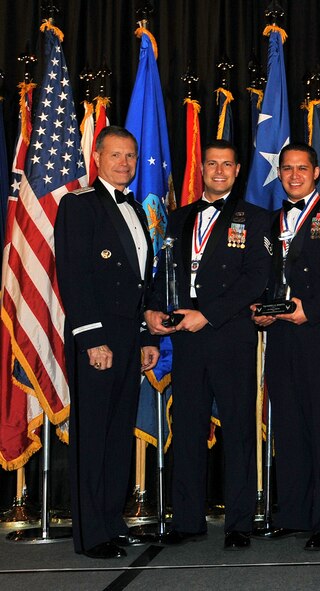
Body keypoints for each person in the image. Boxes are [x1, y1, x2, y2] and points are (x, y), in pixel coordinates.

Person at [145, 139, 270, 550]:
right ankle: (187, 520)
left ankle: (239, 523)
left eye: (227, 164)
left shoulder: (256, 219)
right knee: (187, 428)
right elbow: (162, 272)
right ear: (201, 168)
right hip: (186, 338)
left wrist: (209, 314)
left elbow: (256, 278)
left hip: (230, 336)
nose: (219, 170)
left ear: (237, 171)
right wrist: (155, 313)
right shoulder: (178, 217)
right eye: (212, 163)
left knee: (238, 429)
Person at [252, 144, 320, 550]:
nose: (294, 175)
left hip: (319, 332)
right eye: (287, 169)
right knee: (288, 424)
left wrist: (311, 310)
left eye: (302, 168)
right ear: (280, 173)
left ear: (316, 172)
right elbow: (263, 275)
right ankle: (294, 514)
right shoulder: (270, 220)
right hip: (280, 335)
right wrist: (260, 309)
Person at [55, 125, 160, 559]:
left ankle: (113, 522)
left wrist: (145, 336)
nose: (124, 163)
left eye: (130, 156)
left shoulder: (135, 207)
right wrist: (92, 338)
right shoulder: (79, 205)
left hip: (129, 335)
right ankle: (91, 534)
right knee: (94, 434)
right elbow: (74, 275)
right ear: (96, 158)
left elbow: (140, 282)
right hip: (96, 335)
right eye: (115, 155)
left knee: (118, 433)